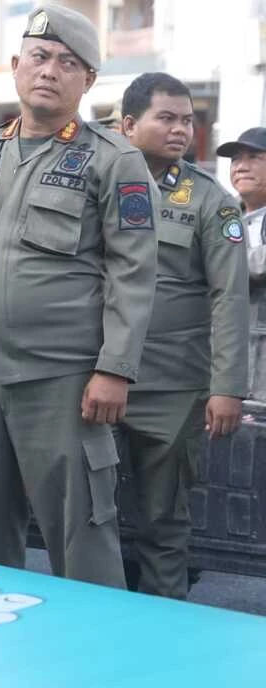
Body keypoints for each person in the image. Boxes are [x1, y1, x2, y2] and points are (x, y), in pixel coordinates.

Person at [0, 5, 159, 588]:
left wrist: (115, 369)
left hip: (64, 380)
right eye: (40, 58)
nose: (50, 71)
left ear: (88, 81)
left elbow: (134, 271)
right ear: (18, 66)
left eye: (67, 63)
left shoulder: (113, 159)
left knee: (82, 534)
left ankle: (98, 663)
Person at [113, 73, 249, 599]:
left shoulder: (210, 201)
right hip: (93, 378)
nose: (180, 130)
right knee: (86, 520)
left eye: (186, 120)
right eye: (165, 118)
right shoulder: (98, 185)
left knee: (164, 524)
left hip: (170, 387)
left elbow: (229, 298)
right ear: (128, 125)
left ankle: (162, 638)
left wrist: (226, 387)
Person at [217, 127, 266, 402]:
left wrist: (221, 261)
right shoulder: (222, 215)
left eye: (254, 157)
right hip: (229, 366)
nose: (241, 167)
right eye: (236, 159)